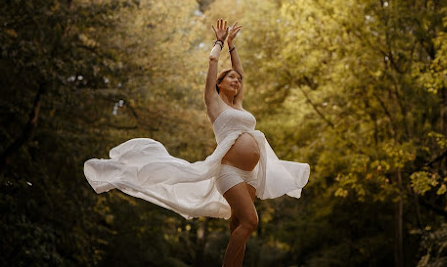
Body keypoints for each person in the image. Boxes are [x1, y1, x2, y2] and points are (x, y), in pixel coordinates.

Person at [84, 19, 310, 267]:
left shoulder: (239, 106)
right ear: (219, 83)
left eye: (238, 79)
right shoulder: (214, 103)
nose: (236, 80)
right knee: (250, 222)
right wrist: (220, 42)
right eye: (230, 78)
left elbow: (242, 73)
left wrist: (233, 46)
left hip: (251, 174)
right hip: (229, 172)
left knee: (238, 227)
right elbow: (213, 62)